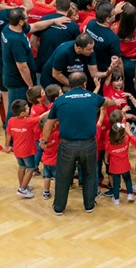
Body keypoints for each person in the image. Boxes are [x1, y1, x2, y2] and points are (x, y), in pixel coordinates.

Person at [39, 72, 115, 216]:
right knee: (89, 174)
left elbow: (48, 126)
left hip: (67, 145)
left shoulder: (60, 101)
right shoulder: (93, 97)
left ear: (69, 84)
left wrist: (44, 141)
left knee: (63, 176)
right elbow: (108, 102)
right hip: (89, 145)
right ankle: (89, 205)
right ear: (85, 84)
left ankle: (59, 207)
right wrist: (113, 102)